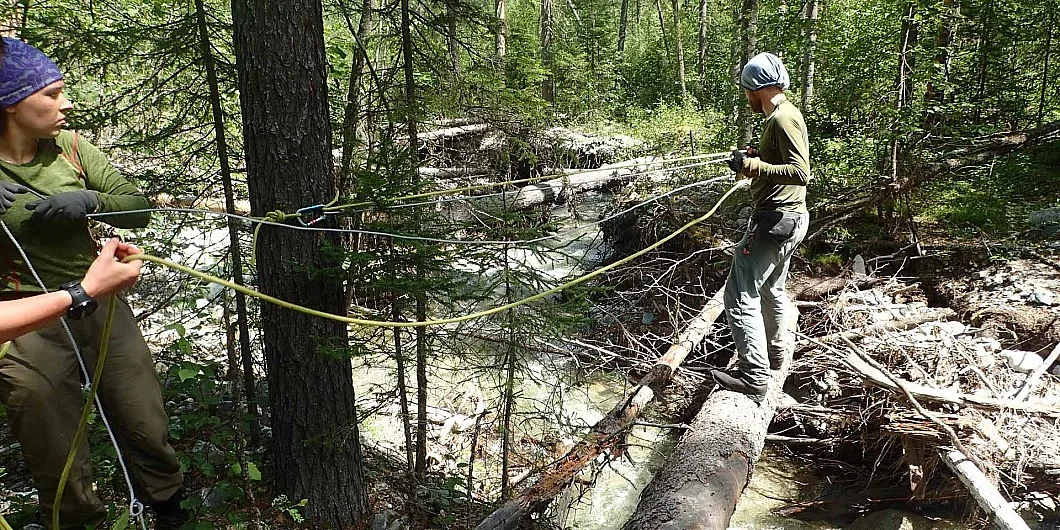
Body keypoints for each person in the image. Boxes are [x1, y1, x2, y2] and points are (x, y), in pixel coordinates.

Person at [0, 38, 187, 529]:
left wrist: (89, 200)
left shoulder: (71, 148)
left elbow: (137, 205)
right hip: (24, 316)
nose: (66, 103)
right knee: (55, 444)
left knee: (144, 419)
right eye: (51, 94)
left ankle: (167, 509)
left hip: (98, 296)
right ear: (10, 104)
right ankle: (76, 520)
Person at [710, 52, 811, 403]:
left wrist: (753, 165)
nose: (746, 97)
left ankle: (754, 377)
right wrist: (755, 156)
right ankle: (776, 355)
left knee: (739, 293)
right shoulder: (781, 117)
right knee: (771, 288)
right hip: (790, 218)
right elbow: (781, 161)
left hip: (775, 220)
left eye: (747, 90)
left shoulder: (783, 119)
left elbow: (801, 172)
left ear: (758, 89)